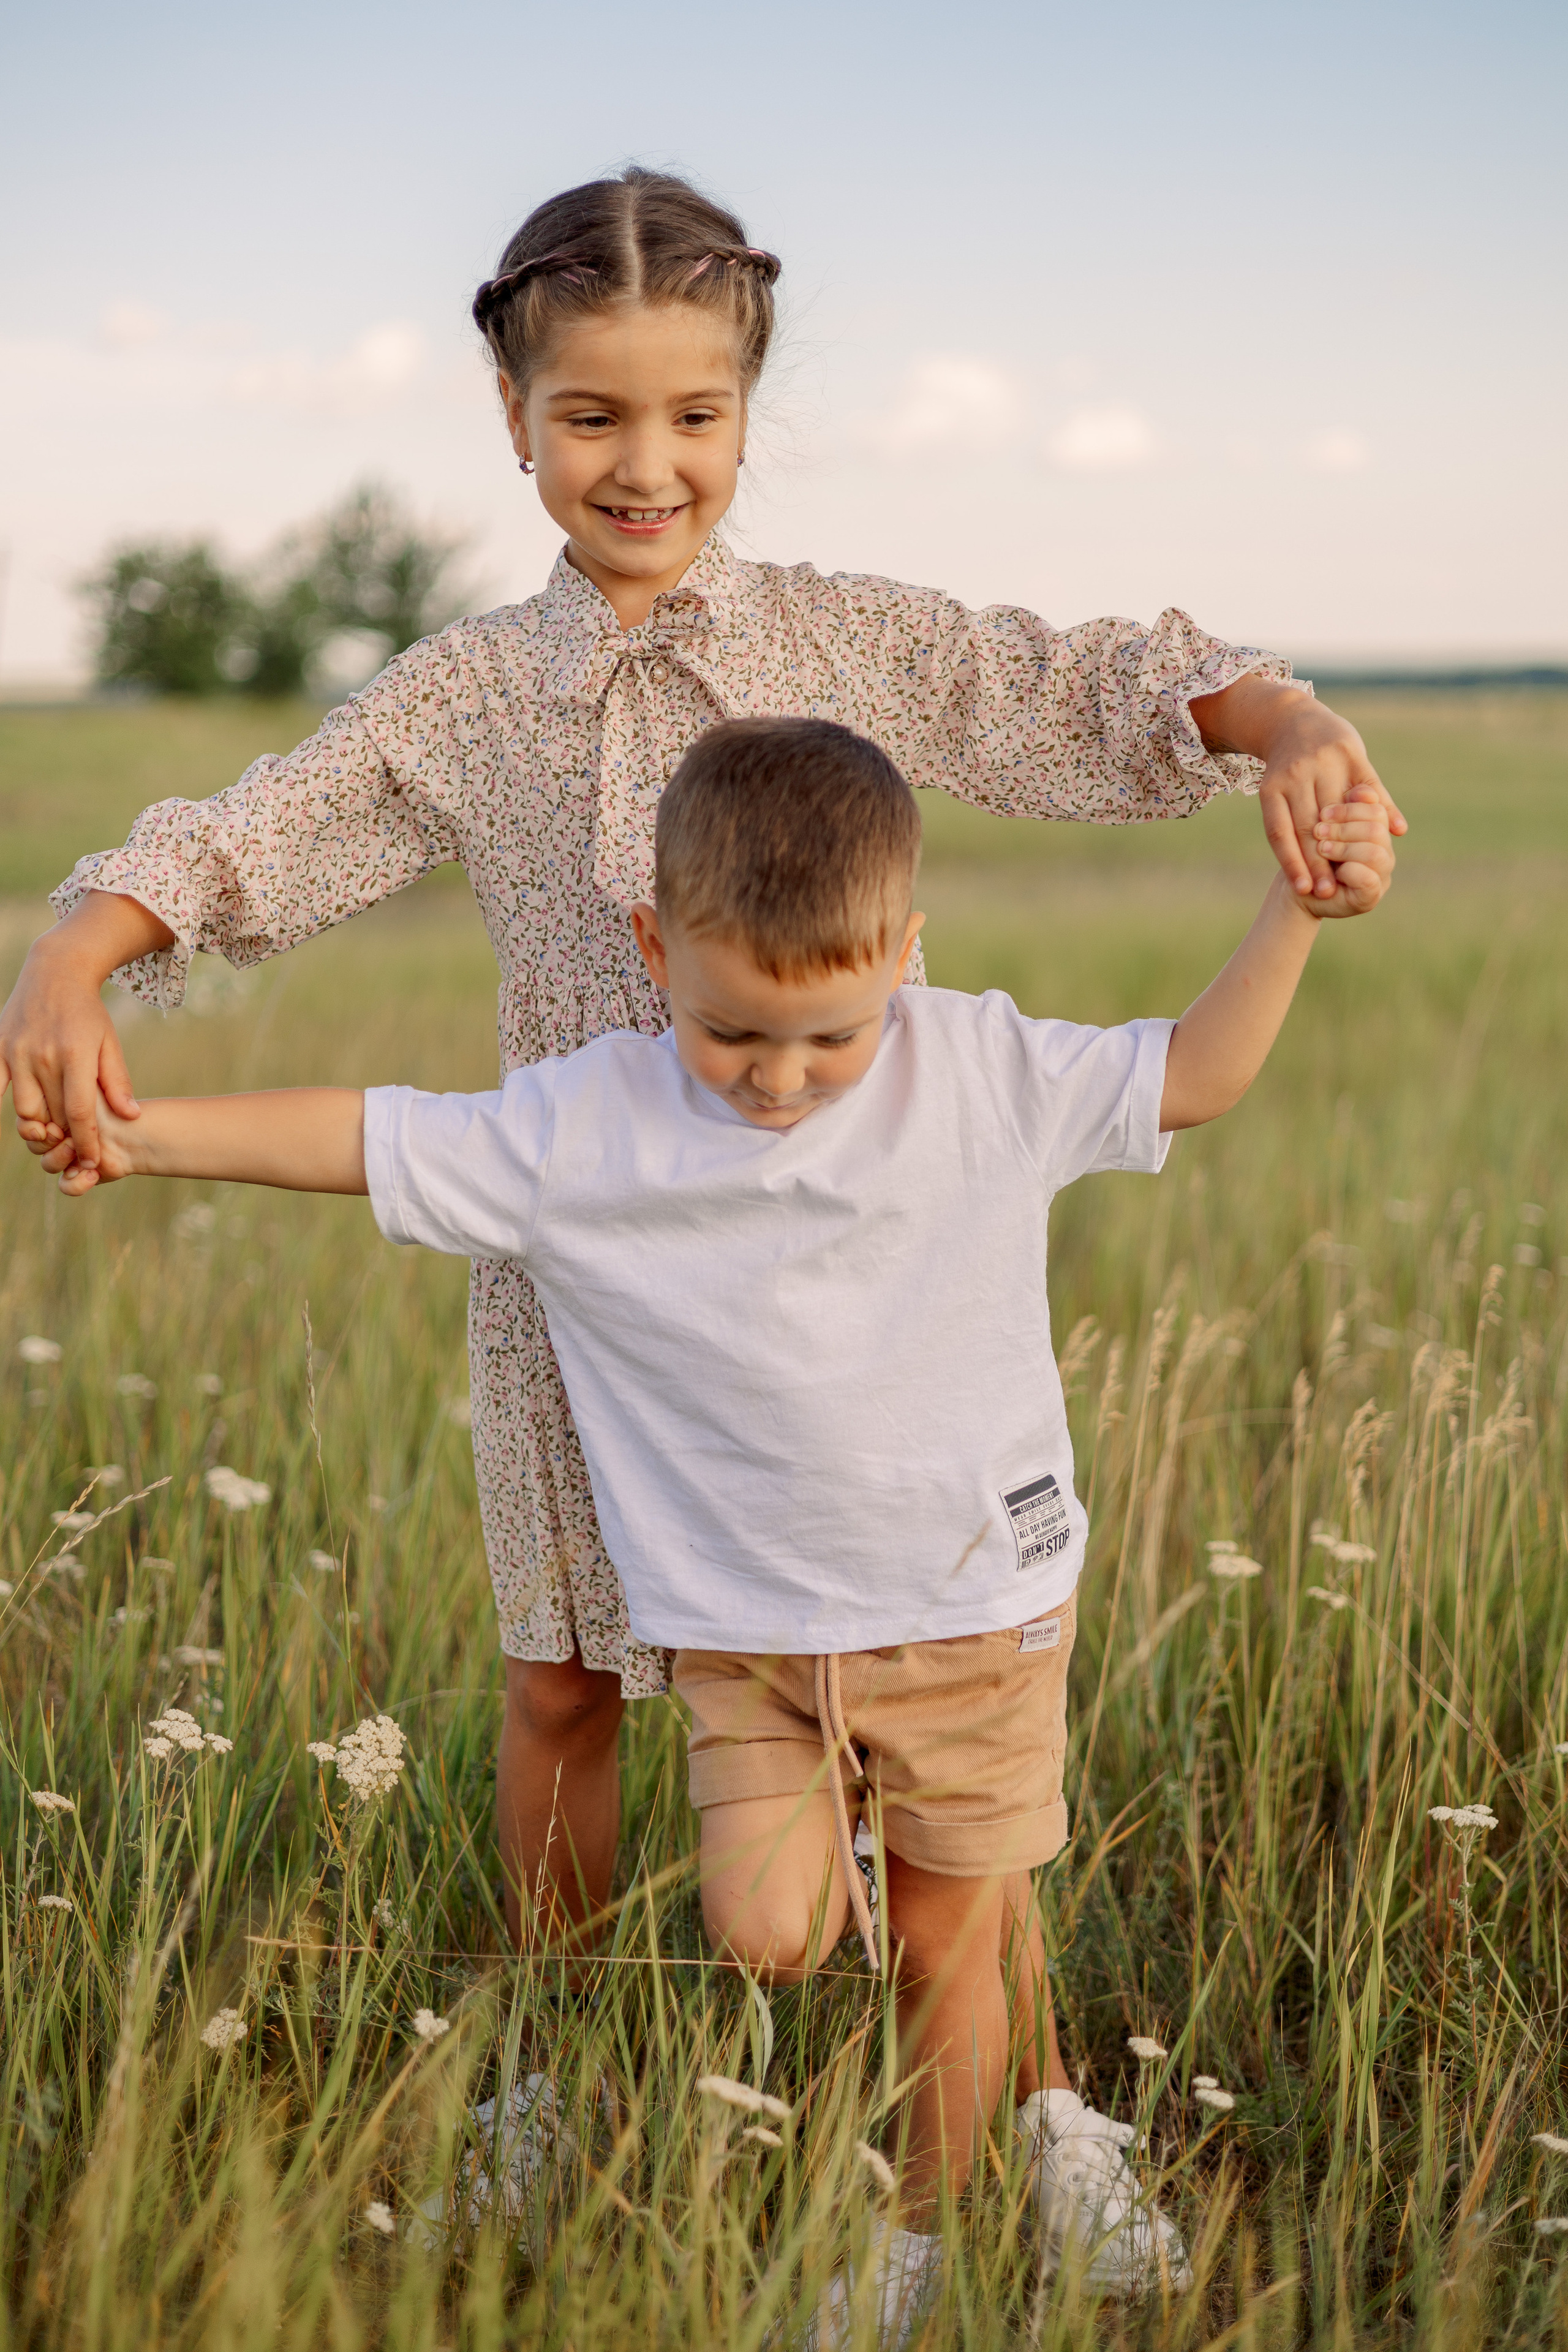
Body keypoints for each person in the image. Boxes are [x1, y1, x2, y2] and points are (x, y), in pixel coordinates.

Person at [0, 165, 1406, 1964]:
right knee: (565, 1685)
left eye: (694, 415)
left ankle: (1022, 2096)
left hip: (858, 1271)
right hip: (582, 1258)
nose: (643, 462)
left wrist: (1291, 725)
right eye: (590, 414)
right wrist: (80, 944)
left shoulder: (841, 638)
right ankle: (552, 2057)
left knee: (927, 1719)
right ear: (513, 418)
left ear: (749, 412)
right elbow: (266, 835)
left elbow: (1080, 689)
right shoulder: (466, 696)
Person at [26, 717, 1395, 2333]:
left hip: (972, 1607)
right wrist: (141, 1131)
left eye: (834, 1036)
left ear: (905, 953)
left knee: (946, 1944)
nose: (784, 1080)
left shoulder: (981, 1066)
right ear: (652, 946)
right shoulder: (583, 1124)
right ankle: (934, 1903)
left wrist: (1295, 910)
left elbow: (1198, 1073)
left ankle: (920, 2249)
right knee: (766, 1929)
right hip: (746, 1641)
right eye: (735, 1032)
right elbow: (370, 1133)